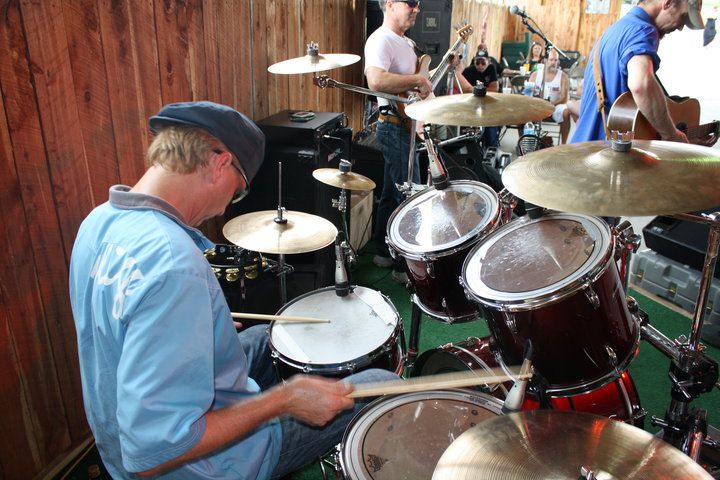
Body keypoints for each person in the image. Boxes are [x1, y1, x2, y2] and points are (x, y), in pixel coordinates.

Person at [69, 101, 398, 479]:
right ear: (220, 164)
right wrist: (282, 401)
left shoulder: (98, 222)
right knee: (384, 385)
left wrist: (201, 327)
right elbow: (154, 453)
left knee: (266, 336)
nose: (226, 205)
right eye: (237, 191)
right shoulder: (174, 266)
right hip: (197, 467)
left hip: (112, 437)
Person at [572, 0, 715, 144]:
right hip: (608, 150)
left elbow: (635, 116)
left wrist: (688, 139)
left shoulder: (618, 29)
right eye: (683, 17)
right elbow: (641, 86)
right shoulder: (643, 30)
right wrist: (671, 134)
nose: (680, 27)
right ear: (667, 3)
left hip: (586, 146)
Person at [365, 0, 433, 282]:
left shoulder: (407, 43)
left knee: (391, 193)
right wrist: (417, 80)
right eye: (410, 2)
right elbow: (376, 81)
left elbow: (413, 82)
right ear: (390, 4)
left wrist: (423, 80)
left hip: (404, 127)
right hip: (393, 127)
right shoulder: (381, 40)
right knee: (410, 197)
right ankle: (404, 267)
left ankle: (383, 252)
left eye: (418, 3)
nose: (417, 8)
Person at [528, 49, 572, 143]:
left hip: (556, 106)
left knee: (566, 112)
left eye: (556, 60)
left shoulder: (563, 76)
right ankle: (526, 143)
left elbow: (564, 98)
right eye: (551, 60)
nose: (553, 63)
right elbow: (528, 93)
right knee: (523, 111)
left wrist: (551, 104)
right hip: (537, 105)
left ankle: (563, 144)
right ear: (545, 60)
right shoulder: (535, 75)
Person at [459, 52, 500, 148]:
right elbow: (463, 90)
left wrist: (475, 90)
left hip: (488, 103)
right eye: (477, 63)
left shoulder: (491, 68)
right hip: (471, 104)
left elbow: (494, 89)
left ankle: (492, 146)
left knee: (491, 124)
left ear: (488, 61)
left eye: (483, 63)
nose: (480, 65)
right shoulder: (468, 71)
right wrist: (482, 90)